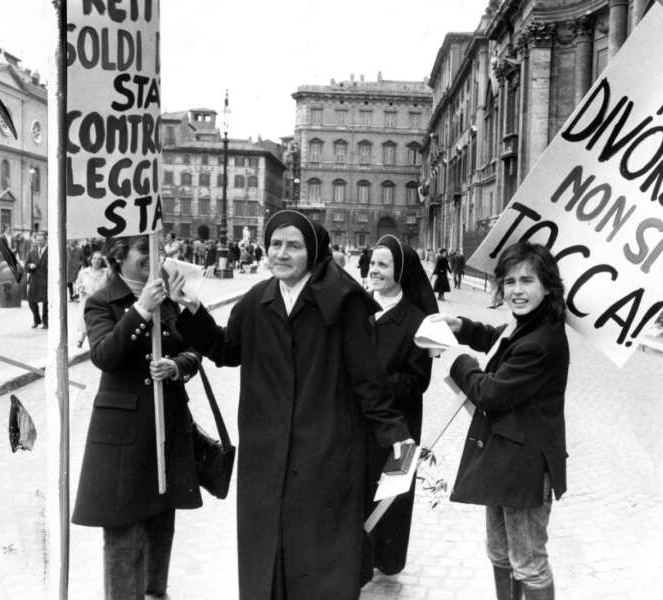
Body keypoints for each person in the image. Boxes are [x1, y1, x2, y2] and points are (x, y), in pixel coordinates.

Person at [168, 209, 414, 600]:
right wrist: (193, 308)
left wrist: (396, 435)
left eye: (293, 246)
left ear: (312, 252)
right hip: (267, 455)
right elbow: (227, 350)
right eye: (275, 245)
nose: (281, 254)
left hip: (325, 452)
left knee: (319, 561)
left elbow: (368, 379)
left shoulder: (343, 302)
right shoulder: (257, 299)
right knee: (268, 556)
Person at [432, 241, 569, 600]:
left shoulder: (542, 340)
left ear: (548, 286)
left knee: (528, 562)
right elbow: (499, 341)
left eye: (527, 281)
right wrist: (461, 326)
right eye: (509, 282)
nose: (517, 291)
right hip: (506, 459)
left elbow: (491, 393)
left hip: (525, 467)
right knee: (500, 552)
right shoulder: (529, 325)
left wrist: (460, 364)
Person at [71, 235, 203, 600]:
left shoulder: (170, 296)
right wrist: (141, 310)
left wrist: (177, 366)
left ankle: (156, 595)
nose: (155, 257)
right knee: (124, 540)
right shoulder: (101, 302)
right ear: (119, 255)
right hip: (123, 438)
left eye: (158, 249)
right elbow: (104, 355)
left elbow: (195, 351)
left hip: (165, 430)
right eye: (145, 250)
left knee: (161, 533)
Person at [361, 234, 438, 583]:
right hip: (357, 422)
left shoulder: (418, 320)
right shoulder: (357, 308)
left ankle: (388, 559)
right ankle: (355, 558)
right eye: (372, 263)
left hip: (400, 425)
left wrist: (368, 384)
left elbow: (416, 380)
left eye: (383, 265)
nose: (374, 270)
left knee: (392, 494)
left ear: (400, 271)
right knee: (356, 489)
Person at [72, 251, 108, 347]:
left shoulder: (106, 272)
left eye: (99, 259)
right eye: (94, 258)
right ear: (91, 260)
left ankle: (93, 341)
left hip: (100, 300)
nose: (96, 261)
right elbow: (77, 284)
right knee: (85, 321)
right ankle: (82, 339)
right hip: (86, 299)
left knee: (98, 321)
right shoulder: (84, 272)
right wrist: (79, 288)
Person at [25, 231, 48, 328]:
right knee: (31, 301)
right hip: (34, 279)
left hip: (46, 279)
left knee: (46, 302)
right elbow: (25, 266)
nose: (39, 242)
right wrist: (30, 265)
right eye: (37, 240)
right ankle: (36, 320)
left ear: (45, 240)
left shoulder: (50, 250)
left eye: (41, 240)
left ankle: (46, 322)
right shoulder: (32, 251)